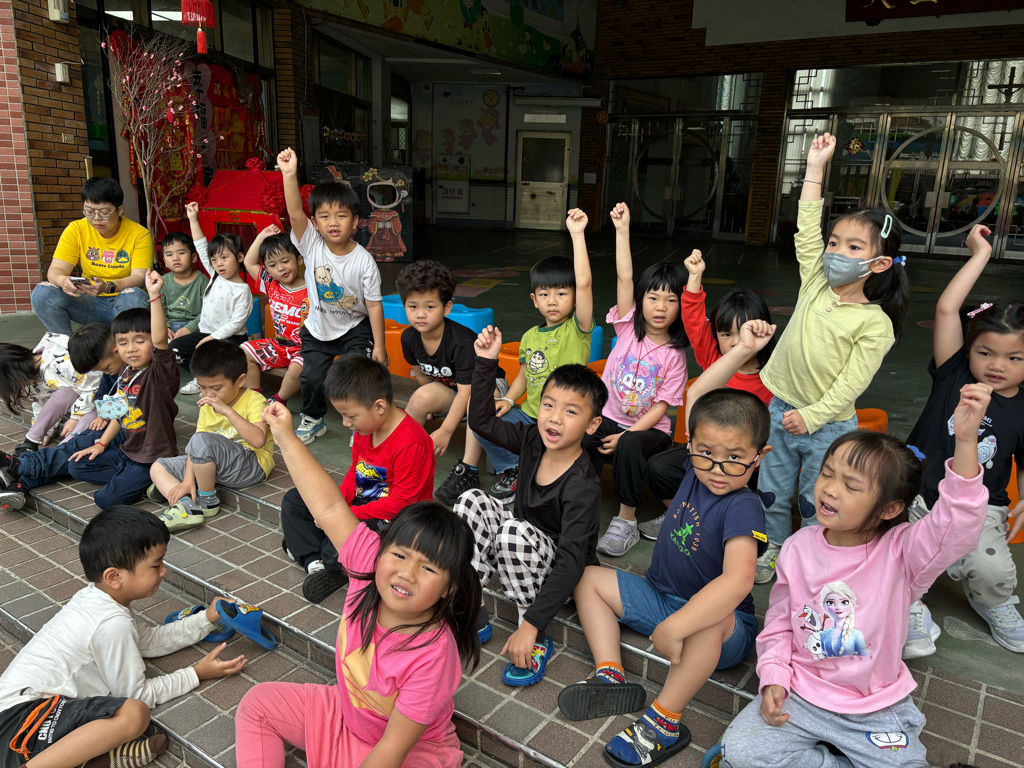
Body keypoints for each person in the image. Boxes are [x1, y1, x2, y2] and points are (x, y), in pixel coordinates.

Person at [713, 386, 991, 768]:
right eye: (827, 473)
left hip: (873, 707)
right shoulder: (797, 547)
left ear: (889, 508)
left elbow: (956, 525)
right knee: (738, 752)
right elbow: (779, 623)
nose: (829, 488)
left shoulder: (904, 553)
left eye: (850, 485)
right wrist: (774, 676)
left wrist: (966, 443)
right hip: (801, 695)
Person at [557, 320, 774, 768]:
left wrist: (677, 627)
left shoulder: (743, 506)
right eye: (707, 452)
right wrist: (740, 351)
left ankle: (664, 720)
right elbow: (699, 395)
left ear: (759, 458)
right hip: (661, 598)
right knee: (587, 577)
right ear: (691, 445)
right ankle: (610, 673)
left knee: (710, 620)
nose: (717, 468)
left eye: (735, 458)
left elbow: (738, 582)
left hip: (720, 628)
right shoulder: (696, 469)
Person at [238, 402, 480, 768]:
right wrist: (285, 436)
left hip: (407, 752)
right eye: (399, 555)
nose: (406, 573)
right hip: (346, 717)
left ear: (449, 588)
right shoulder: (368, 567)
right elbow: (329, 507)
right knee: (258, 704)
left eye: (428, 567)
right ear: (381, 551)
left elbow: (392, 750)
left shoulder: (434, 655)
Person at [754, 132, 909, 585]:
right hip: (780, 409)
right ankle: (774, 548)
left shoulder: (874, 323)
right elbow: (806, 229)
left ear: (879, 264)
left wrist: (812, 416)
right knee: (771, 489)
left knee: (816, 497)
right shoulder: (815, 282)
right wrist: (815, 168)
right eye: (835, 242)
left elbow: (851, 384)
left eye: (854, 248)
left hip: (828, 425)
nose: (838, 252)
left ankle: (812, 554)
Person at [0, 505, 246, 768]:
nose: (164, 571)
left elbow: (149, 642)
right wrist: (196, 674)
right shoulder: (111, 623)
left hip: (24, 713)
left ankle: (94, 761)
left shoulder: (99, 599)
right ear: (114, 577)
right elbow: (137, 694)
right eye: (156, 564)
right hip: (20, 722)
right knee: (134, 714)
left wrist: (207, 618)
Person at [455, 325, 606, 686]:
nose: (554, 417)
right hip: (519, 550)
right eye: (549, 405)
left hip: (563, 577)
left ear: (592, 425)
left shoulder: (583, 485)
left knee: (512, 530)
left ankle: (532, 632)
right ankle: (471, 608)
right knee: (471, 500)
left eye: (571, 412)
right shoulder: (532, 439)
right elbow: (481, 422)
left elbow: (572, 561)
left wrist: (533, 623)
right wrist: (485, 363)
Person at [903, 224, 1024, 656]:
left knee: (991, 570)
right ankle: (907, 606)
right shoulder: (953, 372)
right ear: (969, 350)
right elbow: (947, 308)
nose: (997, 365)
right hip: (916, 493)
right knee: (889, 548)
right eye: (985, 352)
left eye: (1014, 357)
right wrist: (979, 254)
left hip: (980, 508)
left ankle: (996, 603)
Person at [443, 209, 595, 504]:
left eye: (562, 293)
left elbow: (585, 282)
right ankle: (513, 469)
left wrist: (577, 235)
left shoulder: (578, 329)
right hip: (529, 415)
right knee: (481, 417)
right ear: (534, 300)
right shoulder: (530, 336)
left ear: (575, 297)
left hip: (561, 419)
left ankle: (531, 469)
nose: (553, 301)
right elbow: (526, 374)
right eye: (545, 294)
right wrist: (510, 400)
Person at [0, 272, 180, 510]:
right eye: (123, 342)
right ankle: (23, 478)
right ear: (116, 346)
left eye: (139, 341)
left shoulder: (158, 373)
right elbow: (119, 409)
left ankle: (20, 468)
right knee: (78, 458)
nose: (130, 348)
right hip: (125, 441)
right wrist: (102, 435)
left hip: (146, 450)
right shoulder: (125, 374)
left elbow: (159, 342)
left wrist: (154, 296)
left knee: (94, 481)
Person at [639, 249, 777, 542]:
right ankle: (682, 512)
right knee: (660, 468)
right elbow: (692, 317)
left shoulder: (776, 374)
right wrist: (694, 276)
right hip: (706, 451)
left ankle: (721, 521)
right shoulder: (712, 357)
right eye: (726, 334)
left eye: (745, 333)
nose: (736, 342)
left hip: (745, 460)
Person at [280, 355, 435, 604]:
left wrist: (344, 515)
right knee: (295, 500)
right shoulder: (366, 427)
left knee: (337, 545)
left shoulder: (411, 442)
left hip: (394, 519)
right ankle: (316, 562)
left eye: (350, 416)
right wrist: (337, 503)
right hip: (363, 506)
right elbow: (355, 470)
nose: (345, 423)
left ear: (379, 406)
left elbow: (402, 503)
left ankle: (315, 553)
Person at [587, 202, 690, 557]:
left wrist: (626, 435)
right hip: (610, 417)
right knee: (583, 430)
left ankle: (626, 521)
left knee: (630, 444)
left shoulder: (675, 356)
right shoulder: (627, 327)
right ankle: (579, 500)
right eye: (653, 297)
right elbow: (624, 278)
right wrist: (622, 230)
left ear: (681, 307)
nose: (660, 307)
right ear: (641, 300)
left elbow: (661, 408)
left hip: (649, 432)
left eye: (671, 300)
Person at [278, 147, 387, 445]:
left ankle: (360, 426)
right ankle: (314, 418)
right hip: (318, 328)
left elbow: (374, 305)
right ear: (315, 223)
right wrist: (289, 174)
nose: (333, 222)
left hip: (354, 328)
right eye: (324, 216)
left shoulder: (364, 261)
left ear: (356, 221)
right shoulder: (311, 245)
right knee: (311, 378)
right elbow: (295, 213)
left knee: (356, 378)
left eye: (341, 215)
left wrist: (380, 345)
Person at [395, 259, 508, 502]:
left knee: (475, 401)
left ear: (447, 307)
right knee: (421, 397)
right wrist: (430, 405)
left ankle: (468, 469)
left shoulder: (461, 342)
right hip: (452, 388)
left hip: (487, 387)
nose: (420, 314)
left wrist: (446, 430)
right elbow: (421, 375)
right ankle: (405, 453)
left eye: (429, 307)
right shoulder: (409, 338)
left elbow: (467, 392)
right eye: (412, 306)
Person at [149, 341, 273, 533]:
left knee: (201, 441)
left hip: (250, 466)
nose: (208, 394)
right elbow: (196, 447)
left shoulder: (255, 401)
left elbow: (258, 441)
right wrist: (187, 480)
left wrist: (228, 411)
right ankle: (185, 505)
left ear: (240, 380)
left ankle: (207, 500)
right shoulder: (208, 404)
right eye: (202, 388)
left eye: (216, 388)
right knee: (158, 467)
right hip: (217, 465)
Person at [31, 177, 152, 335]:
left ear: (119, 210)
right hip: (89, 301)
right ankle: (66, 344)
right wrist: (63, 281)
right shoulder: (76, 229)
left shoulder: (139, 234)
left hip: (124, 302)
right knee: (43, 293)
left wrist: (107, 287)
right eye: (89, 212)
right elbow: (55, 271)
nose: (96, 218)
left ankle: (127, 346)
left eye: (104, 213)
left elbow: (140, 277)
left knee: (135, 296)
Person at [172, 202, 252, 395]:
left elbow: (235, 324)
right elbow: (201, 246)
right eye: (214, 259)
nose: (218, 264)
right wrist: (193, 218)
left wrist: (210, 339)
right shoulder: (215, 275)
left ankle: (211, 380)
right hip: (205, 333)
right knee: (173, 350)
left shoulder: (243, 290)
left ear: (240, 257)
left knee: (214, 356)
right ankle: (201, 379)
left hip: (230, 338)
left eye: (224, 258)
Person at [0, 333, 105, 456]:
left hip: (102, 400)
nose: (15, 389)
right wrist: (43, 432)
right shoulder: (29, 376)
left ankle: (58, 454)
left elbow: (94, 384)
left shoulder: (62, 363)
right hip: (80, 403)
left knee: (69, 398)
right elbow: (41, 402)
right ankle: (31, 441)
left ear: (14, 375)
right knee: (65, 394)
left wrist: (75, 417)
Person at [240, 224, 308, 405]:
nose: (280, 268)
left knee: (297, 368)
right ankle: (255, 398)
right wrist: (262, 235)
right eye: (272, 265)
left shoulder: (312, 290)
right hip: (278, 346)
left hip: (303, 349)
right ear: (267, 270)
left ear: (299, 259)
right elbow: (249, 262)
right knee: (244, 351)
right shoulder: (270, 283)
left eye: (285, 261)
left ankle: (279, 399)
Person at [158, 230, 208, 337]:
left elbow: (208, 311)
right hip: (170, 325)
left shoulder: (202, 281)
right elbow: (160, 309)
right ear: (165, 261)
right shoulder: (162, 282)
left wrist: (189, 328)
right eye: (169, 254)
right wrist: (165, 327)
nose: (175, 258)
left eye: (181, 253)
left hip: (196, 325)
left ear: (193, 257)